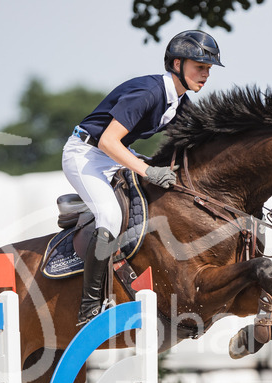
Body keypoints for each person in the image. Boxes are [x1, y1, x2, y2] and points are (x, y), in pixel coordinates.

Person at [62, 29, 223, 326]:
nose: (205, 74)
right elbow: (108, 141)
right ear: (177, 65)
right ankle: (89, 309)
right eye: (200, 67)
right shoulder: (148, 93)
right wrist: (147, 170)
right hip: (86, 155)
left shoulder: (180, 101)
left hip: (114, 155)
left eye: (208, 69)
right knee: (109, 217)